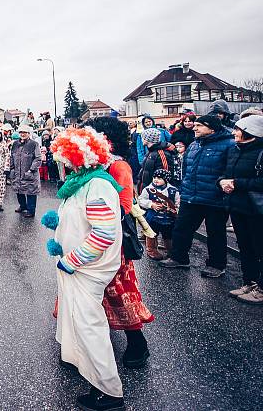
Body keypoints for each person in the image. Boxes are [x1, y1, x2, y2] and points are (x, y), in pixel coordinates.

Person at [46, 127, 125, 410]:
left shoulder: (98, 185)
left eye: (64, 158)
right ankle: (87, 372)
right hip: (77, 268)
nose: (61, 164)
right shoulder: (83, 181)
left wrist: (72, 260)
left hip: (87, 269)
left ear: (78, 157)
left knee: (90, 326)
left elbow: (103, 234)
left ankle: (110, 392)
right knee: (77, 321)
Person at [83, 117, 154, 370]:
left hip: (110, 242)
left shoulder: (119, 166)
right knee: (89, 293)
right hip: (88, 238)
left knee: (117, 292)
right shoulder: (93, 163)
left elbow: (122, 207)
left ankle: (138, 343)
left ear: (106, 138)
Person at [160, 115, 234, 277]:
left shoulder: (229, 145)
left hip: (215, 198)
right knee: (181, 228)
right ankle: (179, 257)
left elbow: (229, 171)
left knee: (215, 233)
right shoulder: (194, 145)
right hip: (190, 195)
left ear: (212, 128)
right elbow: (186, 169)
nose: (195, 128)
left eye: (200, 125)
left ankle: (216, 265)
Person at [218, 115, 263, 304]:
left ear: (251, 132)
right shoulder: (235, 150)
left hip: (256, 210)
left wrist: (237, 183)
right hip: (237, 206)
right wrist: (221, 182)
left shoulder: (260, 152)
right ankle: (249, 282)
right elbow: (225, 173)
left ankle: (261, 289)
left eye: (238, 129)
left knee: (259, 248)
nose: (234, 132)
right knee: (245, 247)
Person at [138, 169, 180, 260]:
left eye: (159, 178)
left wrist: (175, 209)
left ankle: (170, 250)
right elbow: (141, 200)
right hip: (153, 218)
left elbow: (178, 203)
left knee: (168, 235)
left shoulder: (173, 190)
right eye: (154, 177)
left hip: (168, 219)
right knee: (152, 234)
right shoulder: (148, 189)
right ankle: (151, 250)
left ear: (166, 180)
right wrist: (151, 204)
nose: (156, 180)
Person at [9, 124, 42, 218]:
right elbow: (12, 156)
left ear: (28, 133)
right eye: (21, 132)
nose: (22, 134)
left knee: (31, 192)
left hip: (29, 172)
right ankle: (22, 206)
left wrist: (31, 170)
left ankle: (31, 210)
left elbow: (38, 158)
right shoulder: (15, 144)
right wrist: (11, 168)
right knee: (19, 190)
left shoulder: (34, 144)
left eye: (24, 132)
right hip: (17, 173)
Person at [137, 127, 175, 194]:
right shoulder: (151, 152)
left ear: (148, 139)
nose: (141, 139)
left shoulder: (161, 154)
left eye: (143, 137)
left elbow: (164, 177)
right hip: (147, 193)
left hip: (155, 196)